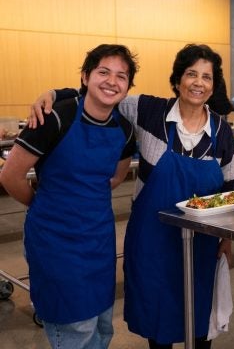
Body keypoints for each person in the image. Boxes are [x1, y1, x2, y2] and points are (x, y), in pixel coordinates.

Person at [30, 44, 234, 349]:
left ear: (213, 85)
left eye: (206, 77)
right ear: (178, 79)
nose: (198, 82)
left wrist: (227, 239)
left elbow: (230, 189)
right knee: (158, 316)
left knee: (200, 317)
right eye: (191, 74)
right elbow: (102, 94)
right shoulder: (148, 110)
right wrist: (54, 94)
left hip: (201, 244)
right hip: (152, 241)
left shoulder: (222, 131)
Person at [0, 44, 138, 349]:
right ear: (86, 76)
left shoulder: (124, 130)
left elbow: (115, 177)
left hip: (99, 241)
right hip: (55, 243)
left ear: (128, 86)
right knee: (74, 329)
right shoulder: (54, 117)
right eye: (103, 72)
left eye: (121, 76)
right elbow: (10, 176)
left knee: (102, 328)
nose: (111, 81)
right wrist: (43, 203)